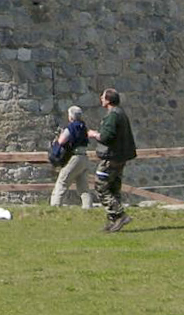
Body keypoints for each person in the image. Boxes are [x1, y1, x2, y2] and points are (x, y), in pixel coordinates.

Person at [87, 87, 137, 232]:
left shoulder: (113, 115)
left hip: (111, 158)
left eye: (103, 97)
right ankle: (113, 221)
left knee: (100, 186)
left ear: (108, 100)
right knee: (114, 188)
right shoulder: (121, 113)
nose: (101, 99)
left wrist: (94, 134)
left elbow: (106, 136)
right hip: (120, 157)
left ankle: (120, 215)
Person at [49, 105, 95, 209]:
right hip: (84, 157)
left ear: (70, 117)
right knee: (83, 187)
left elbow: (62, 141)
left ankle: (55, 206)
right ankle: (88, 208)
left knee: (62, 181)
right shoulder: (83, 127)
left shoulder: (72, 127)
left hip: (75, 157)